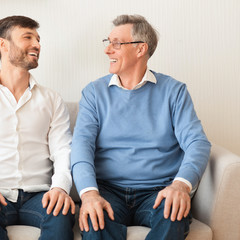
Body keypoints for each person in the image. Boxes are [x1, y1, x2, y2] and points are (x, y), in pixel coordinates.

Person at [71, 14, 211, 240]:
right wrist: (88, 194)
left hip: (158, 191)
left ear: (140, 49)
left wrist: (181, 186)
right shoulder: (94, 93)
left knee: (173, 216)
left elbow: (197, 142)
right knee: (94, 221)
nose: (108, 51)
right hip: (108, 190)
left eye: (116, 44)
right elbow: (80, 146)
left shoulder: (174, 91)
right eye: (108, 43)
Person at [0, 16, 75, 240]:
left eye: (38, 39)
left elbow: (63, 152)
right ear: (4, 45)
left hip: (41, 195)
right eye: (27, 37)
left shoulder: (52, 99)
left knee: (61, 214)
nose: (37, 44)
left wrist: (59, 188)